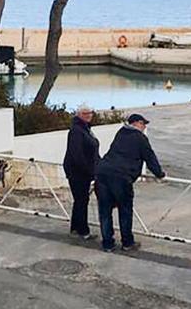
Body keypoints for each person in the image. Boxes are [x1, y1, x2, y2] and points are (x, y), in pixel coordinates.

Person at [95, 113, 165, 252]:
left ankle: (107, 243)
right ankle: (127, 242)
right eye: (143, 124)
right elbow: (150, 157)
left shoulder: (120, 133)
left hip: (103, 172)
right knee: (125, 210)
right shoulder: (140, 138)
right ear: (137, 123)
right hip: (121, 177)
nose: (145, 127)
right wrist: (159, 174)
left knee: (105, 210)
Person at [63, 105, 100, 240]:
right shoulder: (77, 131)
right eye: (85, 113)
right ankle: (83, 231)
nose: (89, 115)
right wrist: (89, 171)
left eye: (90, 113)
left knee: (79, 200)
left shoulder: (85, 129)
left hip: (82, 171)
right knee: (82, 200)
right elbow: (77, 154)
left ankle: (75, 227)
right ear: (79, 115)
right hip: (77, 172)